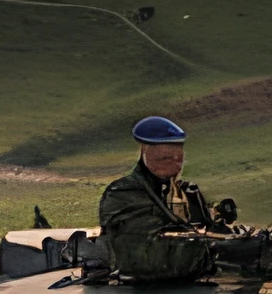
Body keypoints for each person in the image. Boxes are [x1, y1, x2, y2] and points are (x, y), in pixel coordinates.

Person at [96, 116, 242, 282]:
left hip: (188, 293)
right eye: (165, 157)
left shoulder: (186, 192)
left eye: (178, 157)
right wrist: (216, 250)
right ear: (145, 152)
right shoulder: (123, 193)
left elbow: (206, 230)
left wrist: (235, 242)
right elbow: (150, 259)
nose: (174, 162)